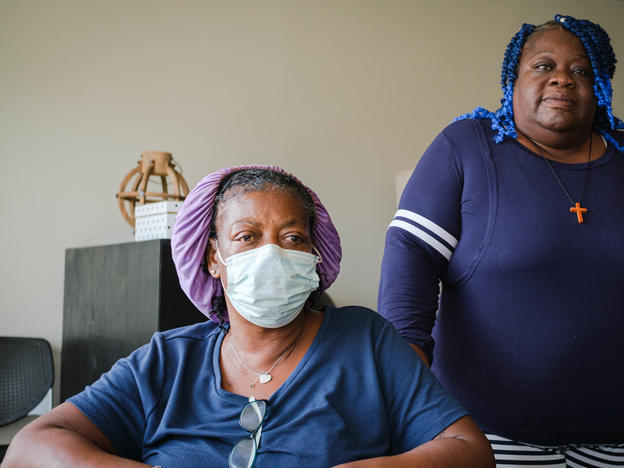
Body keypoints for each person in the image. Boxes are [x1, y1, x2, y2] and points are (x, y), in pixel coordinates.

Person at [3, 165, 494, 468]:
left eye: (292, 238)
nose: (272, 253)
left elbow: (470, 451)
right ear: (214, 258)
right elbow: (32, 448)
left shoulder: (366, 341)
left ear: (313, 257)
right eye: (247, 236)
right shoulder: (168, 360)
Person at [378, 14, 624, 467]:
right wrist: (405, 357)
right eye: (543, 65)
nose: (562, 80)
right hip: (488, 433)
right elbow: (410, 253)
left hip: (622, 434)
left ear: (601, 87)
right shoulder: (467, 147)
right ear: (513, 80)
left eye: (581, 71)